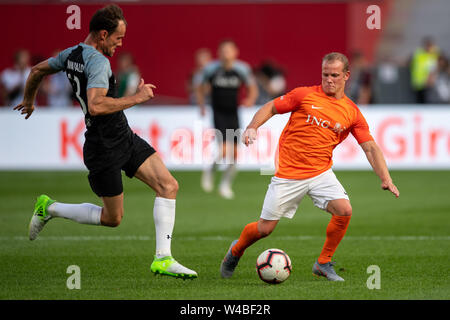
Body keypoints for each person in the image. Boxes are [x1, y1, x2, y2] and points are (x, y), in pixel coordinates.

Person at [13, 4, 197, 279]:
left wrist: (28, 100)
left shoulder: (71, 53)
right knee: (113, 219)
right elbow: (96, 105)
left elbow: (38, 70)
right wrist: (138, 98)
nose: (120, 44)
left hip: (122, 135)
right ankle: (49, 207)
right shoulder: (98, 61)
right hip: (102, 145)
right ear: (102, 34)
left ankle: (163, 259)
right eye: (117, 38)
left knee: (168, 185)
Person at [220, 52, 400, 281]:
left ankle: (323, 263)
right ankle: (236, 251)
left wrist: (386, 178)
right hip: (289, 173)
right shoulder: (304, 95)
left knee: (344, 211)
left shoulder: (352, 112)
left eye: (335, 75)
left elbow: (370, 148)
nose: (329, 79)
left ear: (346, 76)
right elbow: (271, 107)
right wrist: (252, 127)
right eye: (325, 74)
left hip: (320, 172)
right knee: (264, 229)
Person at [196, 39, 258, 199]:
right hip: (218, 113)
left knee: (235, 154)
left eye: (229, 51)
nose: (226, 54)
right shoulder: (211, 69)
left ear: (235, 53)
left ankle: (225, 185)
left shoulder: (241, 69)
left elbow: (252, 87)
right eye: (223, 51)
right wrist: (201, 104)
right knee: (224, 150)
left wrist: (250, 99)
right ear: (219, 53)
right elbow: (199, 86)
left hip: (234, 113)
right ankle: (211, 169)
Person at [410, 36, 440, 103]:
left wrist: (431, 79)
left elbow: (433, 69)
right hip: (417, 82)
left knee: (427, 101)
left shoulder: (433, 54)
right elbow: (412, 63)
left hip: (427, 82)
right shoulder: (418, 53)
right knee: (418, 100)